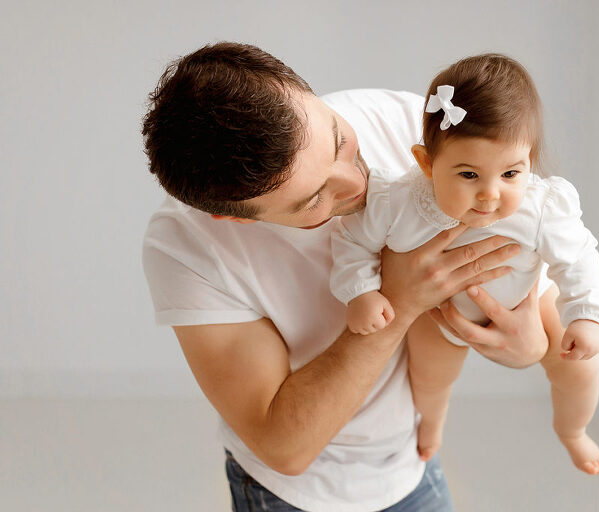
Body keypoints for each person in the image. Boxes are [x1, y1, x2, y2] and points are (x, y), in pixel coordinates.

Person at [141, 42, 554, 512]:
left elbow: (527, 248)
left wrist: (532, 343)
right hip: (291, 496)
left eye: (338, 140)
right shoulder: (183, 247)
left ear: (304, 90)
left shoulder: (407, 122)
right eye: (314, 199)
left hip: (411, 464)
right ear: (236, 218)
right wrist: (399, 301)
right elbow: (284, 446)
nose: (358, 183)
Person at [330, 54, 599, 475]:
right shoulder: (398, 201)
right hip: (440, 313)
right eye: (468, 175)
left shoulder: (541, 208)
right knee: (430, 379)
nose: (490, 195)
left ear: (529, 161)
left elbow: (579, 258)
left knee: (581, 368)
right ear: (427, 164)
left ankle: (573, 430)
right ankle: (432, 421)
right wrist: (361, 292)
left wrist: (585, 316)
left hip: (528, 301)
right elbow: (353, 239)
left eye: (511, 174)